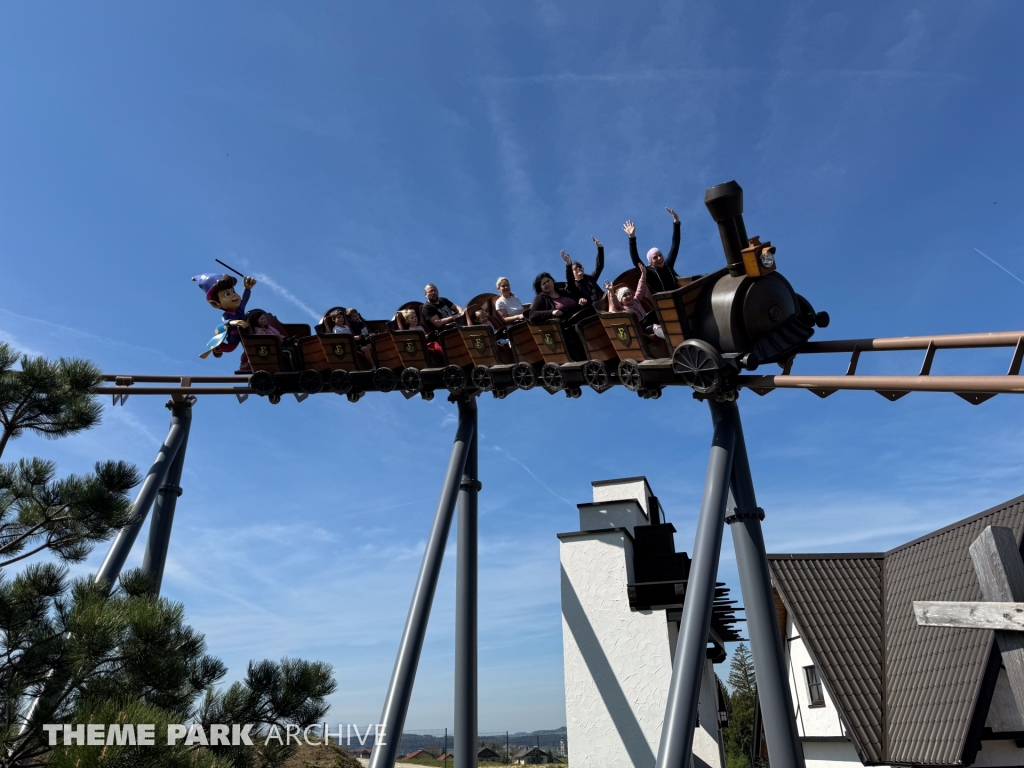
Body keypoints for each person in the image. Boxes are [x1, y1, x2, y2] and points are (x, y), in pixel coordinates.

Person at [193, 273, 258, 360]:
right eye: (227, 294)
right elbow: (225, 322)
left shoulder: (240, 309)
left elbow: (244, 300)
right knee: (229, 348)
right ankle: (217, 346)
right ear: (216, 304)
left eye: (233, 291)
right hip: (234, 335)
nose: (234, 295)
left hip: (246, 331)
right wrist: (234, 322)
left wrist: (247, 288)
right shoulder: (226, 315)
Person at [624, 207, 681, 294]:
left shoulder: (668, 265)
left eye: (660, 255)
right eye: (655, 257)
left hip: (679, 297)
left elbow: (675, 245)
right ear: (650, 262)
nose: (659, 258)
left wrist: (676, 222)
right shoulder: (649, 273)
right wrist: (632, 237)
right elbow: (635, 259)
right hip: (663, 301)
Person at [605, 264, 665, 339]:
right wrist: (611, 292)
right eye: (624, 295)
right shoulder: (623, 309)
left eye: (629, 294)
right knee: (655, 327)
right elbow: (615, 303)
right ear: (620, 300)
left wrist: (643, 274)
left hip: (650, 321)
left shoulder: (636, 300)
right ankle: (669, 338)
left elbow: (640, 288)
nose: (628, 296)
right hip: (641, 329)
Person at [561, 237, 604, 306]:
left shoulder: (589, 279)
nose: (578, 269)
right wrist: (568, 264)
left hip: (602, 305)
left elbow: (599, 267)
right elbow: (569, 278)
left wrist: (600, 248)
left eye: (580, 267)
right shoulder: (572, 285)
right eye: (575, 268)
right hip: (587, 309)